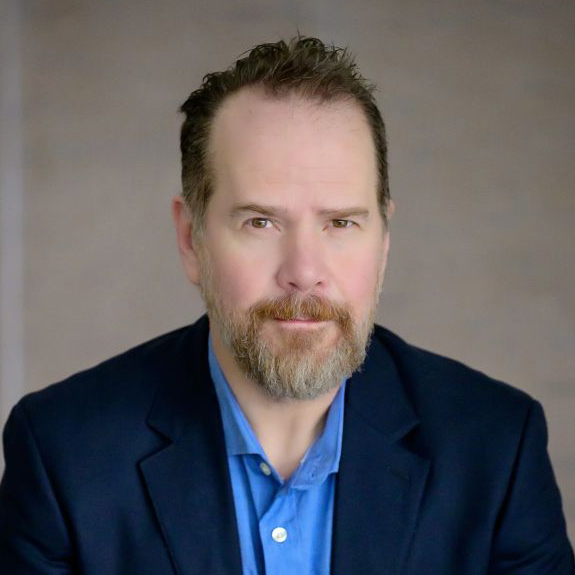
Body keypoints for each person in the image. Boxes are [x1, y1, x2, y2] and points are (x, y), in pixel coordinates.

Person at [0, 35, 573, 575]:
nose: (304, 271)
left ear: (384, 242)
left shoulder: (497, 449)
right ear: (190, 239)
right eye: (261, 222)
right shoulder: (63, 456)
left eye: (341, 223)